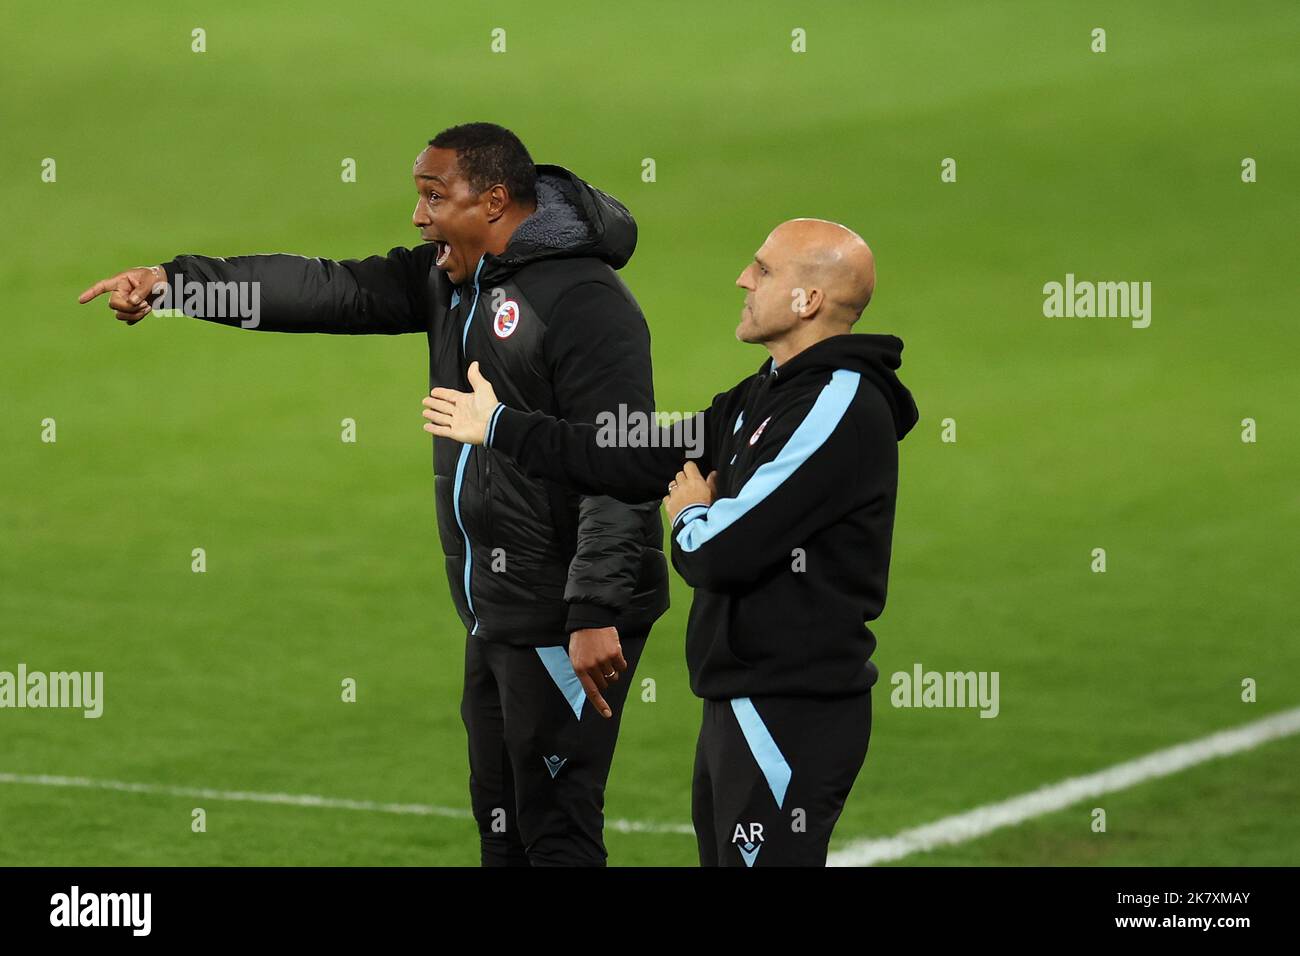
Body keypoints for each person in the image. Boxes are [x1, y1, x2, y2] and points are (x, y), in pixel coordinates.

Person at [78, 122, 670, 867]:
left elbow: (621, 463)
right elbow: (328, 290)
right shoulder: (455, 279)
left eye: (434, 197)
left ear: (493, 202)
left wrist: (594, 610)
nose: (418, 217)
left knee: (556, 834)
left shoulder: (585, 302)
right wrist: (176, 285)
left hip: (566, 613)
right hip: (497, 608)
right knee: (502, 829)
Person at [422, 218, 919, 866]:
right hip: (738, 697)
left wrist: (688, 514)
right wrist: (502, 425)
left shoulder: (837, 405)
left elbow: (716, 553)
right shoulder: (760, 395)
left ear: (810, 300)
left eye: (764, 270)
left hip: (791, 708)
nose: (743, 279)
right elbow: (633, 457)